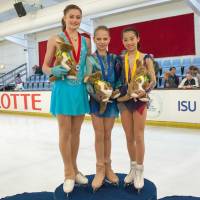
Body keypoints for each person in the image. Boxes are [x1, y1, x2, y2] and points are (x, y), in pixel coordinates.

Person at [42, 4, 91, 195]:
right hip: (62, 88)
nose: (75, 20)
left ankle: (75, 169)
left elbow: (88, 65)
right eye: (71, 17)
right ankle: (67, 172)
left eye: (78, 17)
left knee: (76, 133)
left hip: (79, 90)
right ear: (64, 18)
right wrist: (53, 70)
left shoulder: (87, 41)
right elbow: (45, 66)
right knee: (65, 132)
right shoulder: (55, 38)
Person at [118, 27, 156, 191]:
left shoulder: (146, 58)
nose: (129, 42)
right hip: (125, 100)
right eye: (125, 40)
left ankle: (140, 169)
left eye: (132, 38)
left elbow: (153, 80)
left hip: (139, 100)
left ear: (138, 39)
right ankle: (133, 167)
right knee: (129, 136)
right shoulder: (120, 58)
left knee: (139, 136)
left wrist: (144, 91)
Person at [85, 26, 121, 191]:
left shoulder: (115, 58)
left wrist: (114, 92)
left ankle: (108, 167)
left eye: (104, 38)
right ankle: (99, 169)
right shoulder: (90, 59)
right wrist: (98, 95)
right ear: (94, 39)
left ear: (109, 39)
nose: (101, 42)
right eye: (98, 39)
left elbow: (119, 79)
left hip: (112, 101)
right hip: (96, 101)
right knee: (99, 135)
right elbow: (88, 81)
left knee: (108, 134)